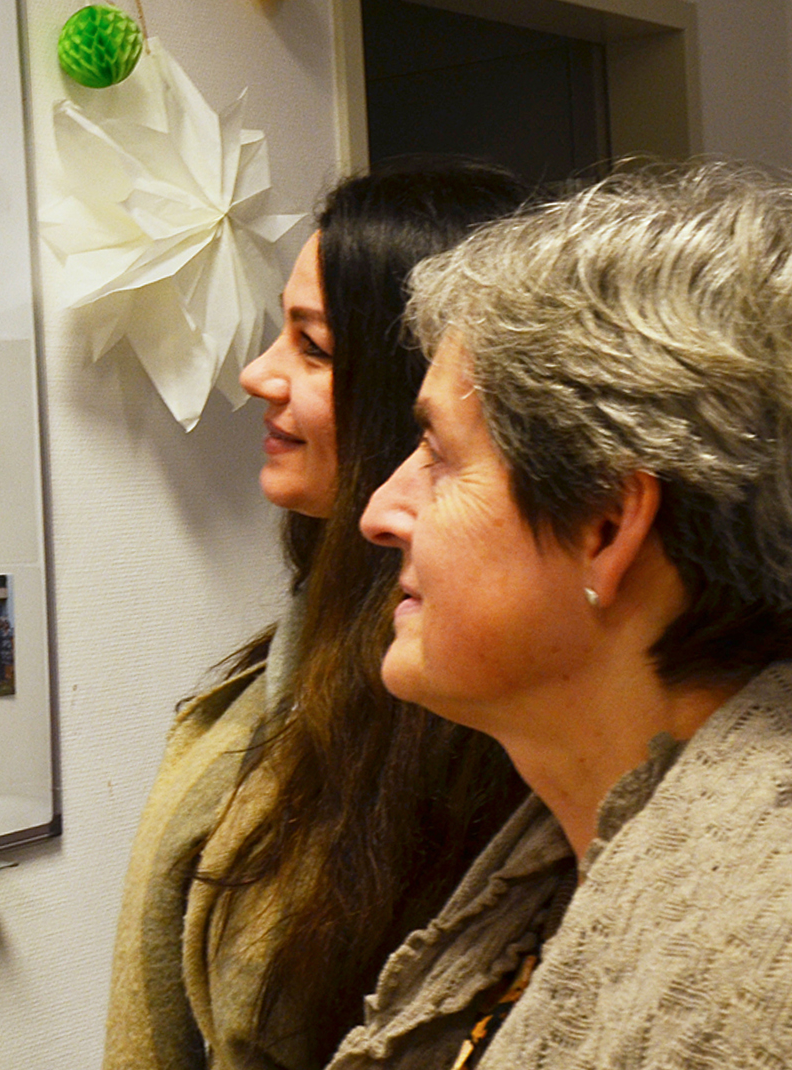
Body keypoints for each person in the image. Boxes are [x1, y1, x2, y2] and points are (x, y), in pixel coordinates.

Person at [324, 163, 792, 1068]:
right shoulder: (551, 864)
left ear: (607, 527)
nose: (381, 511)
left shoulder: (753, 981)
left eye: (438, 453)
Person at [103, 162, 532, 1070]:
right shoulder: (276, 680)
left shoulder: (478, 726)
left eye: (315, 348)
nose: (260, 375)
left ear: (422, 393)